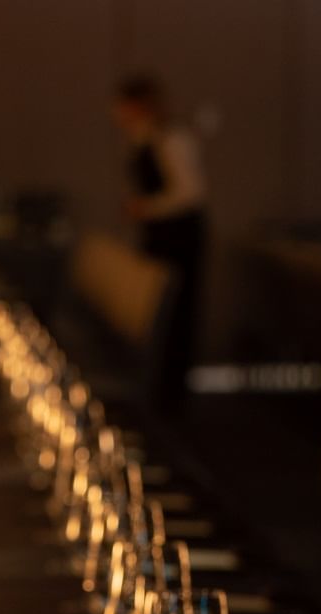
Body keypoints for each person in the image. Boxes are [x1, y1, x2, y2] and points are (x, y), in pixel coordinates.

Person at [112, 74, 208, 409]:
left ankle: (172, 399)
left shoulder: (171, 137)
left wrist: (146, 207)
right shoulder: (147, 137)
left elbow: (192, 192)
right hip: (162, 235)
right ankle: (161, 393)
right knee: (161, 316)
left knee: (176, 313)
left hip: (179, 237)